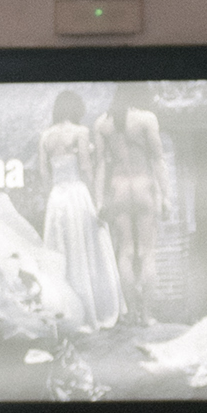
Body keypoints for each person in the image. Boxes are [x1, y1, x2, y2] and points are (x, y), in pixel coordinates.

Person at [37, 91, 122, 328]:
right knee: (86, 249)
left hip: (57, 198)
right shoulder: (80, 132)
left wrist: (51, 196)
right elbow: (85, 167)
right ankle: (93, 308)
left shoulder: (45, 136)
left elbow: (44, 172)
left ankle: (64, 309)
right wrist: (96, 198)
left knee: (60, 251)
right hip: (77, 194)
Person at [96, 98, 171, 324]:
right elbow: (158, 159)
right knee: (147, 253)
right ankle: (146, 316)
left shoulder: (102, 123)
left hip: (119, 188)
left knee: (126, 251)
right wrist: (166, 196)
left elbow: (101, 164)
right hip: (143, 187)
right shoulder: (146, 119)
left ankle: (130, 316)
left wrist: (99, 201)